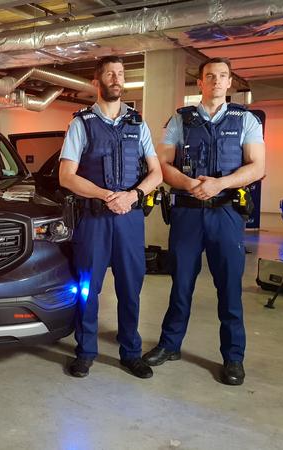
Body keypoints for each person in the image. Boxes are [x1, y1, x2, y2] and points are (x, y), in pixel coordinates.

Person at [142, 57, 265, 386]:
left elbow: (257, 166)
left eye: (222, 76)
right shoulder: (181, 120)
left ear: (230, 82)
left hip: (225, 213)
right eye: (209, 76)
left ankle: (233, 357)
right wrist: (189, 185)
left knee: (229, 289)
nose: (216, 81)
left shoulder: (246, 120)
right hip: (187, 213)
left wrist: (219, 184)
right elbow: (162, 164)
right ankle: (170, 345)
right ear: (200, 83)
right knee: (180, 283)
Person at [58, 56, 163, 379]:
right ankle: (86, 351)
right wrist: (106, 195)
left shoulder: (138, 124)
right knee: (88, 288)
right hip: (94, 220)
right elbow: (66, 176)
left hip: (129, 219)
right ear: (97, 81)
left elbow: (157, 172)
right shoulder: (82, 123)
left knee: (131, 288)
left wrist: (133, 195)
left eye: (120, 74)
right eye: (109, 74)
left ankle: (131, 352)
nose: (116, 79)